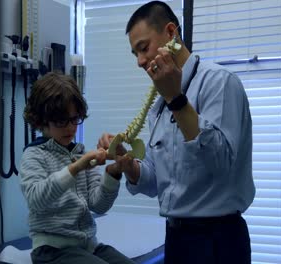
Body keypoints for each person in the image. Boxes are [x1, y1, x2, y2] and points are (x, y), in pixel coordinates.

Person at [98, 1, 256, 263]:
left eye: (143, 48)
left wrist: (176, 99)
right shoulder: (158, 104)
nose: (139, 62)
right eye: (134, 54)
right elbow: (158, 181)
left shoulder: (218, 83)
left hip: (218, 239)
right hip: (177, 238)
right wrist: (129, 165)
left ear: (171, 33)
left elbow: (221, 163)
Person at [20, 71, 135, 264]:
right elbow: (36, 199)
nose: (71, 128)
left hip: (87, 246)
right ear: (42, 120)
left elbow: (98, 205)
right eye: (62, 121)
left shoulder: (80, 153)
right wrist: (76, 168)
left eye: (75, 119)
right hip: (51, 250)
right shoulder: (34, 155)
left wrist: (113, 174)